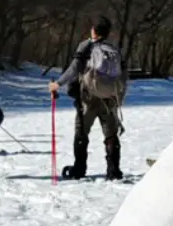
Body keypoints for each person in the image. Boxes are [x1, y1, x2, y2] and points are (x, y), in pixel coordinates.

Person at [48, 15, 126, 180]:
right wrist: (119, 96)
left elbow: (74, 68)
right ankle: (113, 171)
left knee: (81, 132)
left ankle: (79, 169)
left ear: (94, 31)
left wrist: (58, 84)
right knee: (111, 134)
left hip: (88, 99)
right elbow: (123, 75)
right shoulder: (114, 49)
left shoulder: (86, 46)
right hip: (109, 98)